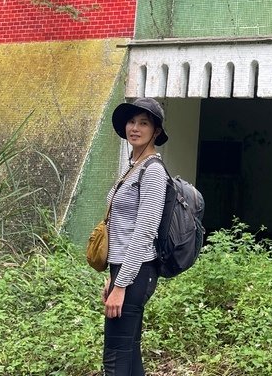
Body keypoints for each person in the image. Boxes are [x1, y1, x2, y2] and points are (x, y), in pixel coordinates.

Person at [103, 97, 169, 376]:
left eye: (144, 123)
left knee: (115, 357)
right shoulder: (132, 167)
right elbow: (122, 227)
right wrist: (113, 275)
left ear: (155, 131)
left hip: (138, 270)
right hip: (125, 269)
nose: (135, 127)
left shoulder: (152, 171)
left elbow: (143, 231)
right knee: (128, 352)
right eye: (132, 121)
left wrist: (121, 285)